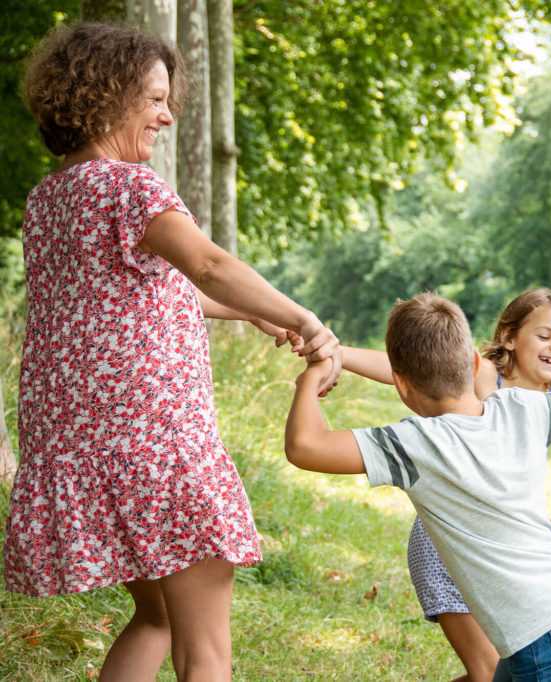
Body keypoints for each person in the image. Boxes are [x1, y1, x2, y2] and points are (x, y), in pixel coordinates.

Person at [3, 22, 341, 681]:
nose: (167, 114)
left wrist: (257, 312)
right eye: (155, 98)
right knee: (206, 649)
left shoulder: (48, 200)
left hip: (82, 448)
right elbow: (207, 265)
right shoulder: (134, 190)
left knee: (155, 618)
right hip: (154, 448)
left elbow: (151, 289)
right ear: (106, 94)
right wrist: (304, 317)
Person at [286, 292, 551, 681]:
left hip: (546, 624)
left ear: (401, 385)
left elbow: (306, 446)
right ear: (480, 360)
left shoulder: (416, 443)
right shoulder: (524, 407)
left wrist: (315, 374)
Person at [341, 288, 551, 681]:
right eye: (545, 336)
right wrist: (337, 353)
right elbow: (405, 368)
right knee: (487, 670)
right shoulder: (488, 378)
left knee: (505, 671)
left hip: (495, 551)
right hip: (445, 545)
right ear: (508, 336)